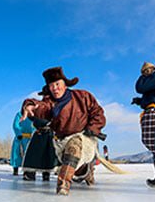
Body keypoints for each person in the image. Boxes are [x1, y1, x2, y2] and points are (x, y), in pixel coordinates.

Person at [22, 67, 107, 195]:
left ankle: (63, 185)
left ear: (65, 84)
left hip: (84, 136)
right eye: (51, 85)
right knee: (76, 165)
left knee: (74, 146)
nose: (54, 88)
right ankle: (86, 172)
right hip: (61, 141)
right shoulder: (50, 102)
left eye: (57, 84)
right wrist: (31, 105)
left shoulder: (83, 96)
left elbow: (98, 113)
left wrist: (92, 128)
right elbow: (42, 108)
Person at [20, 86, 57, 181]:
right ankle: (32, 173)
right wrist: (28, 106)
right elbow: (31, 104)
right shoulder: (40, 104)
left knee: (46, 154)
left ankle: (37, 174)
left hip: (47, 133)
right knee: (36, 154)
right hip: (42, 133)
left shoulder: (55, 105)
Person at [11, 104, 34, 176]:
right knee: (16, 153)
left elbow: (35, 126)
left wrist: (34, 134)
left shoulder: (33, 116)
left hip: (30, 138)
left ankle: (27, 171)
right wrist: (18, 134)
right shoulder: (19, 115)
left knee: (28, 155)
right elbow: (15, 125)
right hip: (20, 138)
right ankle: (15, 169)